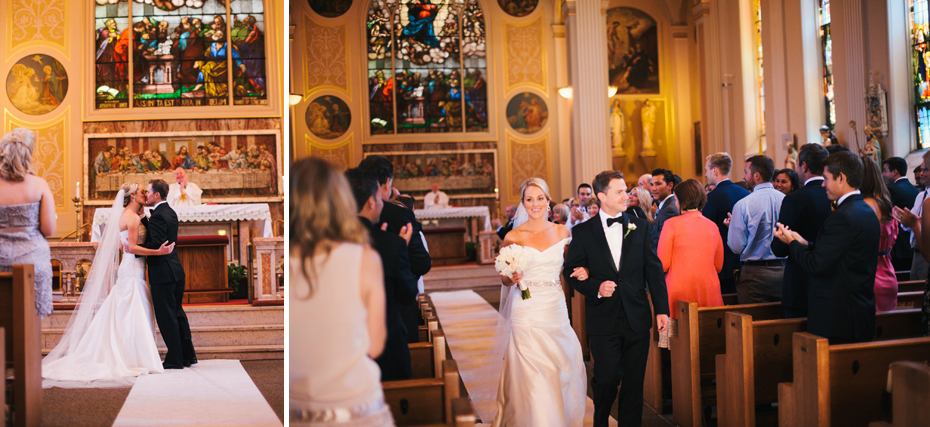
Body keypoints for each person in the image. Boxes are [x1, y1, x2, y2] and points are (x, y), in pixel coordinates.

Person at [288, 158, 393, 426]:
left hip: (297, 410)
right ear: (340, 199)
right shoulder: (364, 259)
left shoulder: (284, 261)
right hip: (356, 406)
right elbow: (375, 344)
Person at [42, 183, 175, 385]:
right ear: (132, 196)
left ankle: (131, 354)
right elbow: (131, 248)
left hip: (134, 268)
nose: (144, 194)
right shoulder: (130, 217)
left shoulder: (131, 215)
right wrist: (159, 252)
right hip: (132, 269)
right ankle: (130, 356)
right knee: (130, 309)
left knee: (127, 310)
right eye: (140, 192)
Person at [565, 170, 669, 427]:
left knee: (634, 384)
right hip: (603, 317)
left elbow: (653, 270)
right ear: (602, 196)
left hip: (637, 316)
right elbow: (570, 272)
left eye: (626, 190)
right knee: (607, 378)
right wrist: (596, 287)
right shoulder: (583, 232)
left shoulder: (642, 226)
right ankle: (600, 419)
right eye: (620, 191)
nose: (627, 195)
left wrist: (662, 311)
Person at [478, 178, 586, 426]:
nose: (535, 204)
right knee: (531, 369)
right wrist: (511, 277)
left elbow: (572, 267)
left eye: (540, 198)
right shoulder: (513, 236)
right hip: (525, 309)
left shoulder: (562, 232)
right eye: (529, 199)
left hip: (555, 307)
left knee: (560, 363)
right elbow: (504, 280)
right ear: (523, 203)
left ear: (548, 201)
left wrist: (585, 272)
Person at [775, 152, 878, 344]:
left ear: (841, 178)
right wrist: (805, 243)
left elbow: (816, 265)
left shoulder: (843, 216)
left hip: (838, 316)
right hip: (857, 310)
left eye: (826, 178)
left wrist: (792, 243)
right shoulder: (865, 209)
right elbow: (840, 253)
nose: (823, 184)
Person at [345, 168, 417, 381]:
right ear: (370, 202)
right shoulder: (391, 245)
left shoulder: (326, 244)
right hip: (386, 346)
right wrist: (399, 248)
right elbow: (407, 294)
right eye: (379, 198)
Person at [358, 155, 431, 344]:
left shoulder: (345, 215)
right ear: (387, 183)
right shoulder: (400, 215)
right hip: (396, 309)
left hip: (357, 313)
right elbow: (421, 263)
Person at [130, 179, 196, 369]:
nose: (146, 195)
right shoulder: (169, 211)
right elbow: (159, 236)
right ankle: (186, 356)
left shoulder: (158, 215)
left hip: (163, 274)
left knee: (167, 317)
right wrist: (143, 219)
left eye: (148, 192)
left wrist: (133, 249)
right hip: (175, 271)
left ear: (156, 195)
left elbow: (155, 245)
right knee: (177, 314)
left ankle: (175, 359)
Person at [771, 144, 833, 318]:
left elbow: (779, 248)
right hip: (830, 282)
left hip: (801, 282)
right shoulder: (836, 196)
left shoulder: (794, 200)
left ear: (804, 166)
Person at [0, 128, 55, 318]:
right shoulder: (39, 184)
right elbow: (48, 229)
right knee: (30, 325)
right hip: (32, 262)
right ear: (28, 154)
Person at [657, 179, 724, 332]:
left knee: (679, 347)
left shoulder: (671, 224)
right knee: (708, 341)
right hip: (709, 291)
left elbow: (663, 264)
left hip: (679, 294)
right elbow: (718, 266)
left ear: (681, 200)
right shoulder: (712, 225)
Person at [727, 155, 786, 304]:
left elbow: (736, 246)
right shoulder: (786, 200)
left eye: (746, 172)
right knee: (785, 322)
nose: (743, 176)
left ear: (756, 175)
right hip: (785, 271)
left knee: (752, 324)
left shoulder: (743, 204)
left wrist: (732, 229)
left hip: (754, 275)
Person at [703, 152, 751, 295]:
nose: (705, 174)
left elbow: (707, 231)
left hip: (723, 266)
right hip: (746, 262)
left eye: (706, 170)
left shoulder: (711, 198)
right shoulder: (746, 193)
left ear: (714, 170)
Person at [861, 156, 899, 312]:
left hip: (869, 276)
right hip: (889, 275)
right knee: (888, 329)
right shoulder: (886, 204)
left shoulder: (862, 206)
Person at [883, 157, 920, 272]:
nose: (883, 174)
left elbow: (887, 217)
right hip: (912, 244)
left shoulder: (893, 190)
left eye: (885, 171)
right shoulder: (914, 189)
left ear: (895, 172)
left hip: (899, 248)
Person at [901, 161, 930, 281]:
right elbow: (907, 226)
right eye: (921, 170)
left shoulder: (928, 202)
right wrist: (904, 219)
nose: (922, 173)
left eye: (926, 170)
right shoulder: (921, 196)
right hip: (916, 252)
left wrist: (915, 223)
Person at [651, 168, 680, 249]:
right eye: (652, 184)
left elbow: (663, 242)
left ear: (670, 186)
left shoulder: (669, 209)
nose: (653, 189)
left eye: (658, 184)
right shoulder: (665, 205)